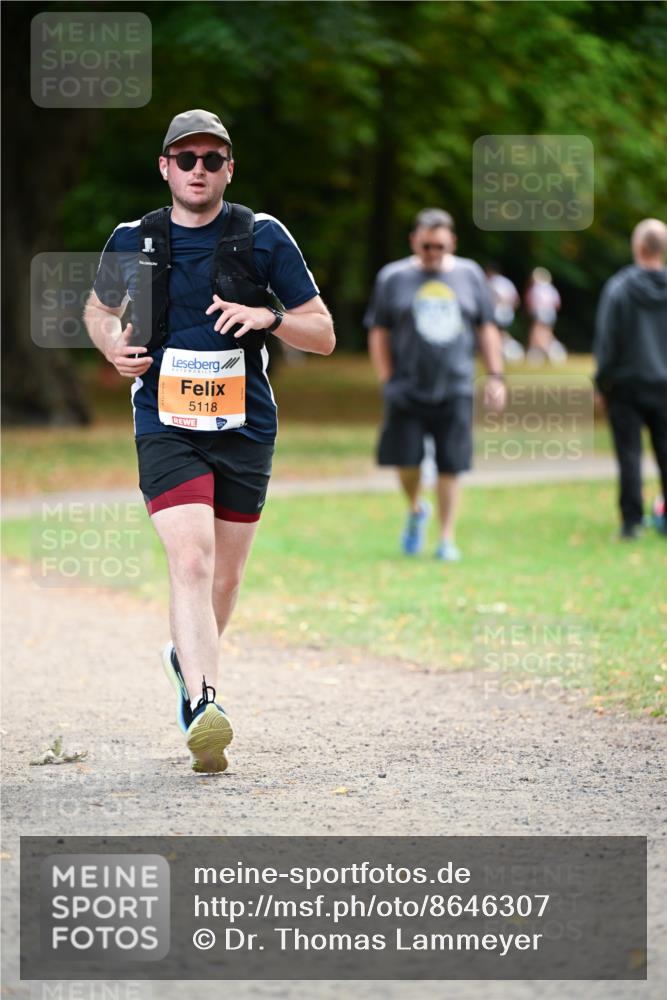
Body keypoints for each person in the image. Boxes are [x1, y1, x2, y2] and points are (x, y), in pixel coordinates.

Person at [84, 110, 335, 772]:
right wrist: (113, 347)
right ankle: (203, 705)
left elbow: (324, 331)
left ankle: (184, 656)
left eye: (212, 159)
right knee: (190, 562)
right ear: (165, 167)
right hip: (164, 422)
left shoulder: (263, 237)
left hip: (245, 425)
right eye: (186, 158)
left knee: (224, 575)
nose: (199, 169)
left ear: (229, 168)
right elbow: (98, 309)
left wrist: (268, 315)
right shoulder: (133, 239)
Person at [365, 208, 505, 561]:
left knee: (450, 464)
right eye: (427, 246)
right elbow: (379, 330)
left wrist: (495, 376)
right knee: (405, 460)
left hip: (456, 385)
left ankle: (446, 538)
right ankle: (415, 509)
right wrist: (387, 377)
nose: (433, 253)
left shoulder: (470, 275)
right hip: (407, 387)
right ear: (414, 241)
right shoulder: (392, 278)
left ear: (452, 243)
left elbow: (487, 327)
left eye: (440, 247)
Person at [593, 217, 667, 540]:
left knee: (629, 455)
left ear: (638, 247)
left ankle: (631, 522)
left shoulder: (619, 288)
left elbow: (607, 342)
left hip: (626, 386)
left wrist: (601, 383)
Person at [525, 267, 566, 364]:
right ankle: (556, 351)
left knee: (536, 333)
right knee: (547, 333)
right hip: (551, 313)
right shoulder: (551, 288)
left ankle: (538, 353)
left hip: (540, 312)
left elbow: (531, 302)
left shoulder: (536, 288)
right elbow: (557, 304)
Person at [485, 263, 524, 362]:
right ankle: (508, 350)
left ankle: (510, 351)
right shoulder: (507, 282)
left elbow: (495, 298)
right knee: (501, 332)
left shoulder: (493, 282)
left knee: (495, 332)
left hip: (499, 312)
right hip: (508, 312)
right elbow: (516, 300)